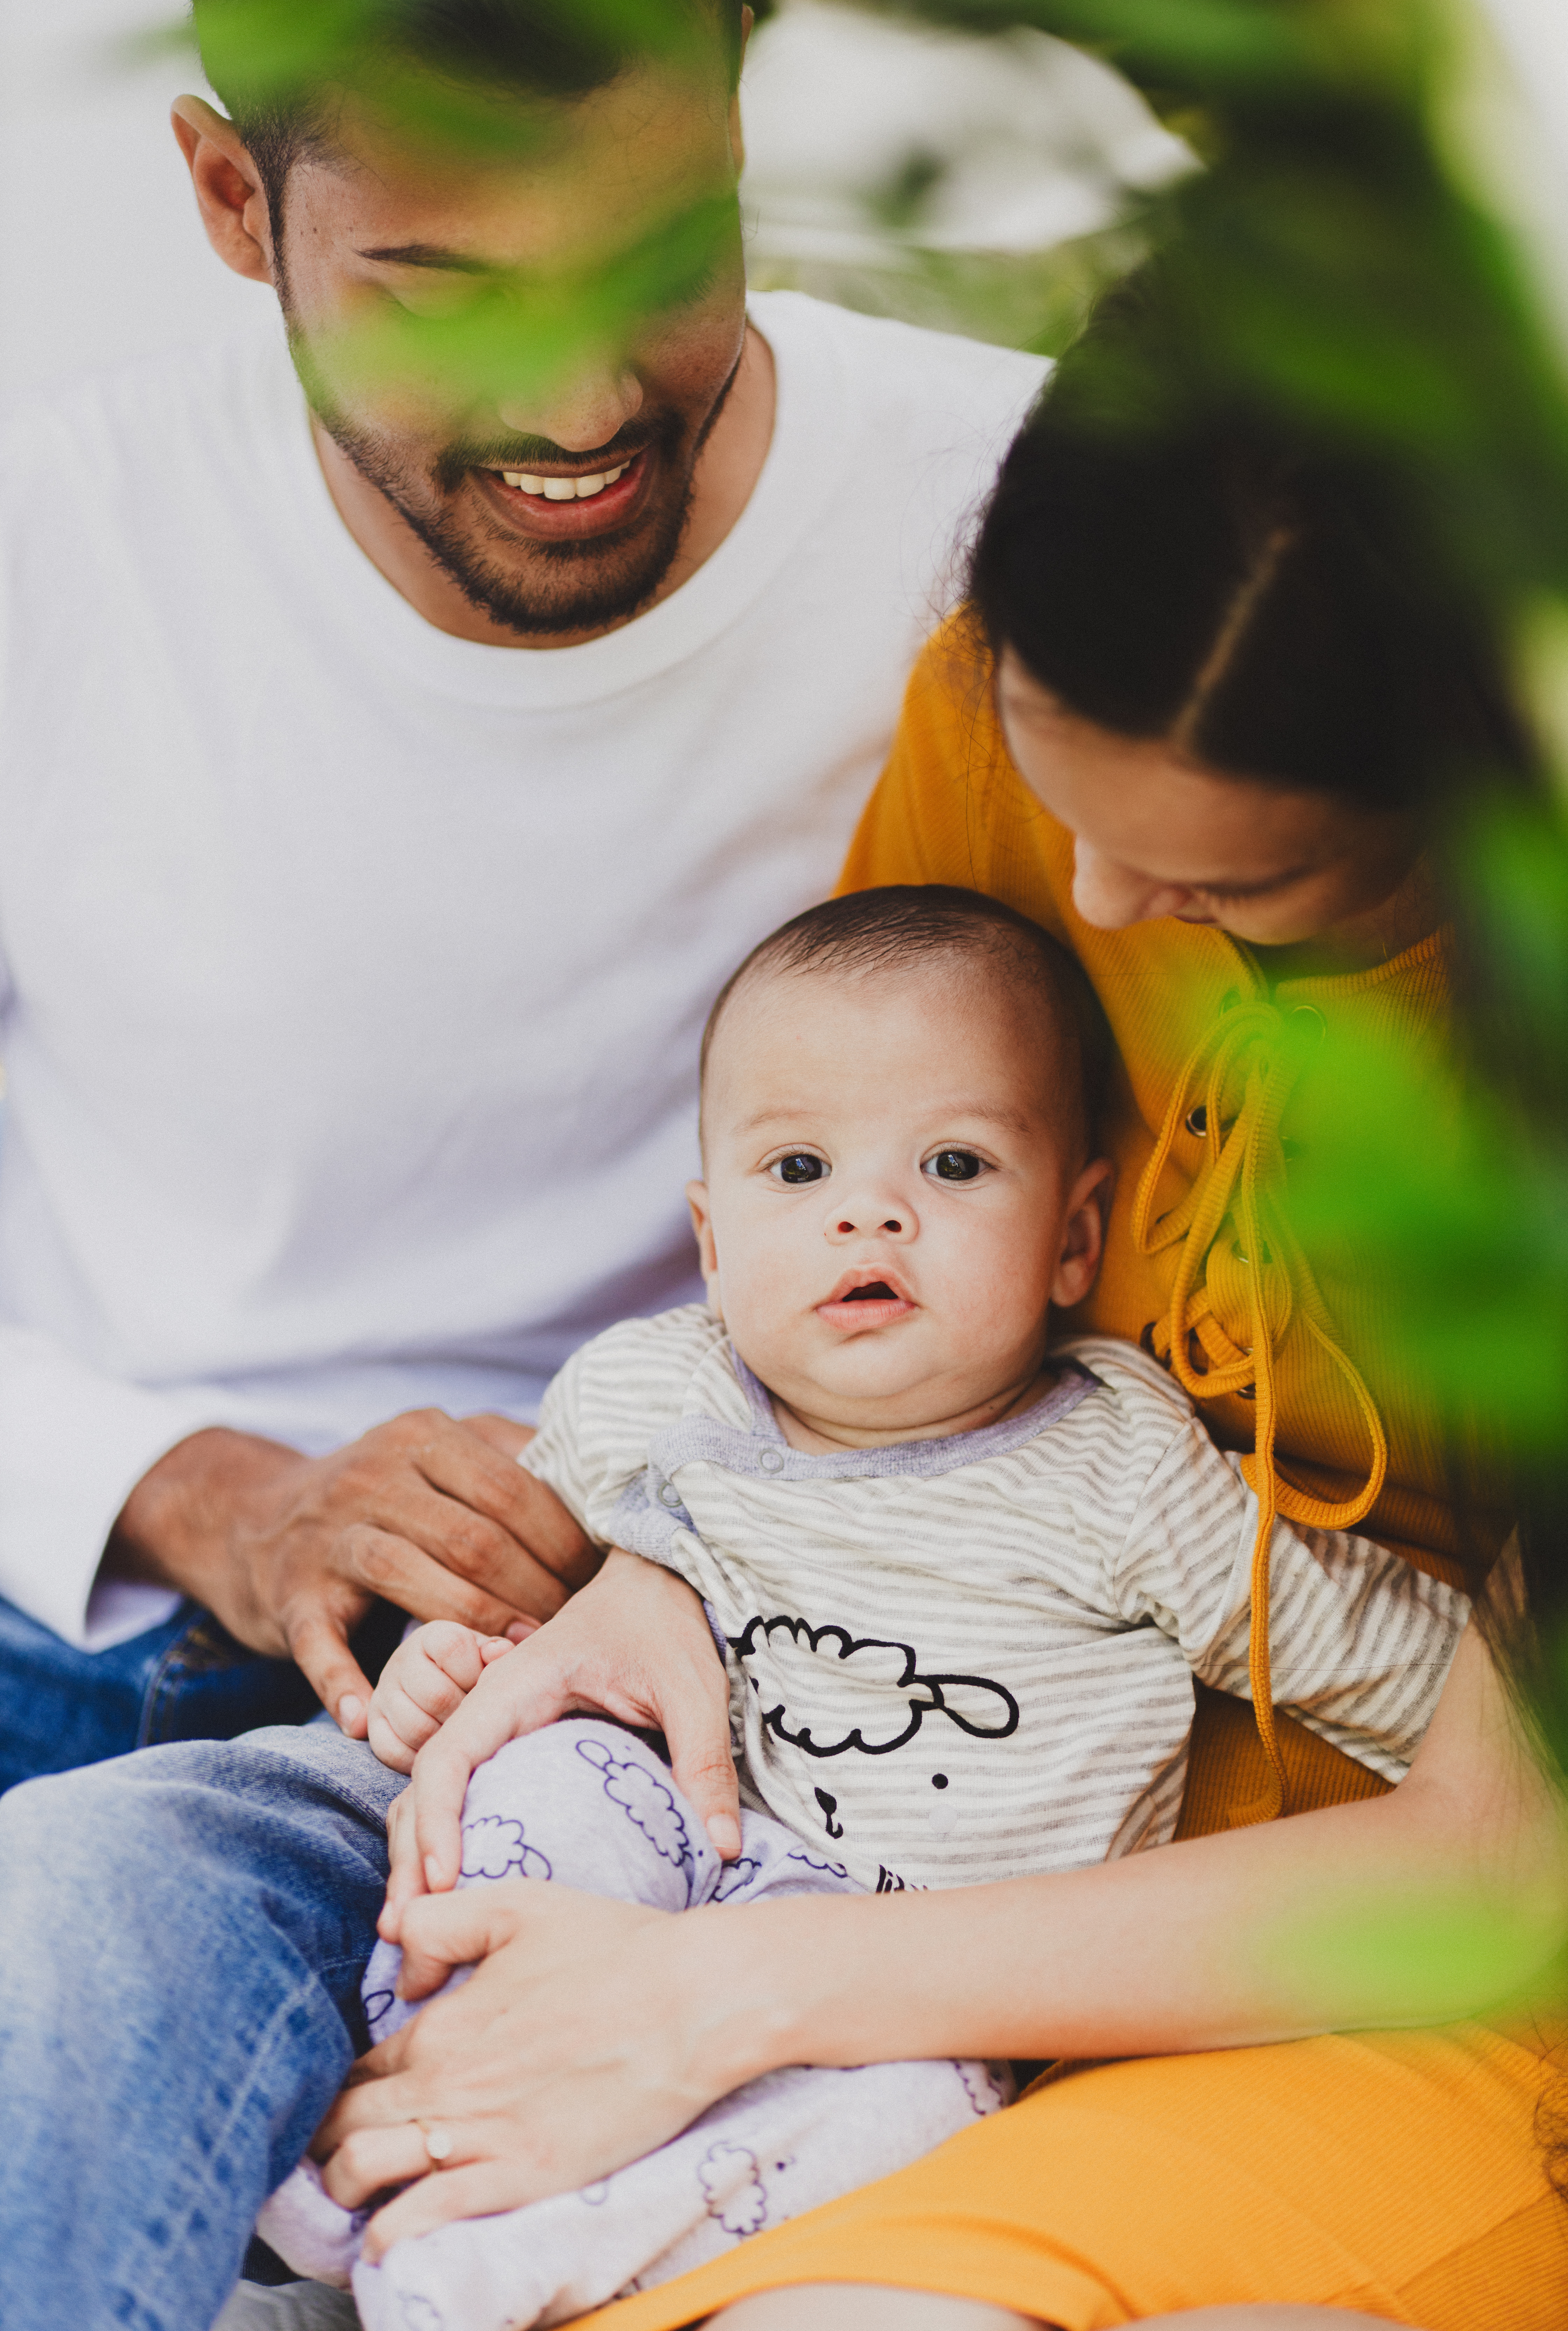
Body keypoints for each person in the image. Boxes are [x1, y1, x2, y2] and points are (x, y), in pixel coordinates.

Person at [290, 297, 1568, 2331]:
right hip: (839, 1834)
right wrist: (660, 1572)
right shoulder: (1015, 711)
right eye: (1056, 783)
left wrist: (718, 2002)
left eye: (1241, 888)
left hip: (1400, 1967)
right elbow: (802, 1257)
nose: (1098, 900)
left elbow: (1512, 1873)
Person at [0, 0, 1043, 1789]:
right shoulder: (53, 547)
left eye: (659, 256)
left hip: (737, 1654)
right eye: (447, 292)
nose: (582, 403)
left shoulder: (1020, 528)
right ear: (236, 207)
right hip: (99, 1610)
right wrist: (216, 1502)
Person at [263, 884, 1462, 2330]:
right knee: (539, 1774)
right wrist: (453, 1666)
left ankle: (479, 2259)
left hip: (932, 1986)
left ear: (1075, 1240)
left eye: (954, 1164)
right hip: (684, 1852)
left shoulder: (1128, 1479)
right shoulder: (655, 1396)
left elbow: (1402, 1669)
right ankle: (397, 2107)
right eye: (798, 1168)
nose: (868, 1208)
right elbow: (535, 1610)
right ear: (709, 1241)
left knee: (896, 2123)